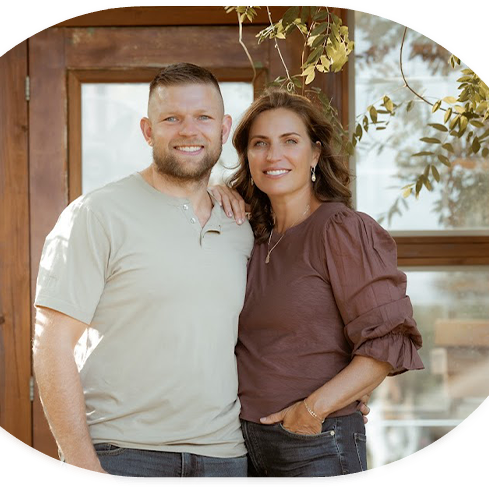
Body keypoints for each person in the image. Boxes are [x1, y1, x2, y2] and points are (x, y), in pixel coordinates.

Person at [32, 63, 255, 487]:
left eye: (203, 117)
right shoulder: (97, 215)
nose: (189, 130)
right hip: (122, 458)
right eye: (172, 118)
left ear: (224, 128)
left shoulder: (240, 222)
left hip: (224, 460)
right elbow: (51, 344)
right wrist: (84, 470)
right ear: (148, 131)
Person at [214, 89, 424, 486]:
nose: (274, 155)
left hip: (315, 446)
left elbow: (386, 343)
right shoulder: (248, 237)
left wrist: (311, 413)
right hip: (240, 448)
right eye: (261, 144)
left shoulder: (341, 229)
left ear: (314, 153)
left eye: (290, 141)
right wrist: (212, 190)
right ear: (248, 157)